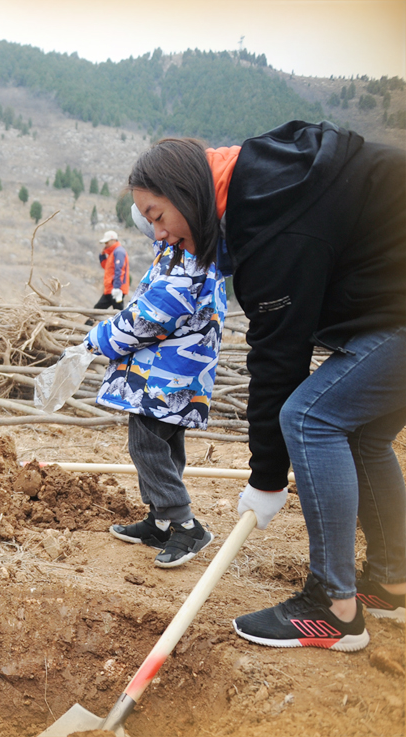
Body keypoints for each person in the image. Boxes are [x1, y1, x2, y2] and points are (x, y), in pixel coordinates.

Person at [127, 125, 405, 652]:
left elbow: (279, 360)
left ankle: (333, 607)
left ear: (189, 192)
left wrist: (269, 478)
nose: (158, 234)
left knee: (310, 417)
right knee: (364, 435)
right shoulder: (262, 176)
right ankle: (393, 580)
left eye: (158, 216)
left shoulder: (273, 225)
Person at [88, 204, 225, 568]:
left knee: (145, 444)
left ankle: (186, 525)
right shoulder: (181, 256)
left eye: (157, 221)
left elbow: (149, 318)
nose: (156, 231)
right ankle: (159, 522)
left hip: (166, 376)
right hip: (178, 374)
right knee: (166, 445)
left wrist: (101, 338)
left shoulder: (186, 264)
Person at [94, 230, 129, 311]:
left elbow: (119, 270)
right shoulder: (112, 253)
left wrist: (117, 287)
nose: (105, 245)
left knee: (116, 312)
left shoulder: (119, 252)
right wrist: (102, 255)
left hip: (116, 288)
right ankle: (89, 323)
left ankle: (89, 323)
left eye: (107, 242)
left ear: (113, 240)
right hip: (110, 288)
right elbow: (106, 267)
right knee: (97, 310)